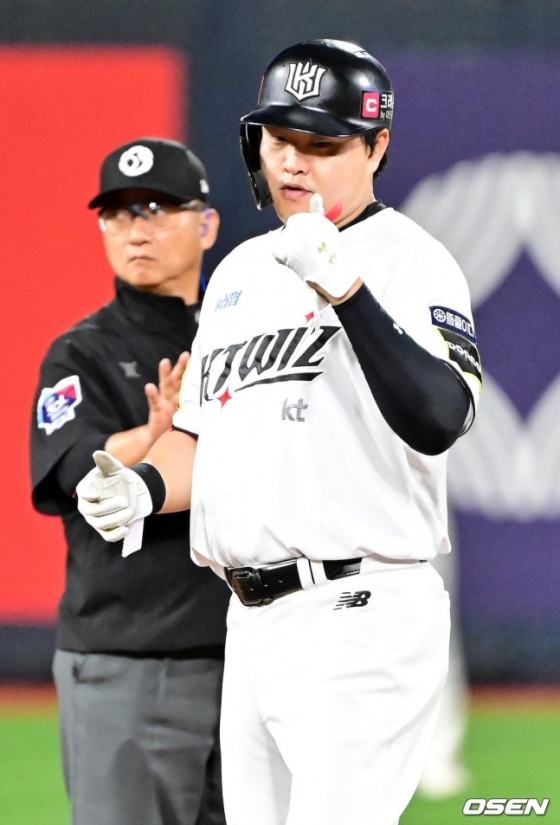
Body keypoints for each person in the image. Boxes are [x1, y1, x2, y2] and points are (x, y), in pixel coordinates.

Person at [75, 41, 483, 825]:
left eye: (321, 142)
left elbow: (443, 418)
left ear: (376, 147)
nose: (293, 161)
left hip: (361, 611)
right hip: (252, 620)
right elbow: (202, 434)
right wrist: (143, 487)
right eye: (279, 137)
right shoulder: (239, 272)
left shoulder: (411, 261)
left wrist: (347, 289)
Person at [30, 137, 230, 825]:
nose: (135, 230)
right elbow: (75, 466)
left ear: (207, 225)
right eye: (117, 213)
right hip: (130, 661)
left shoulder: (240, 341)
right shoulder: (80, 352)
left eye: (157, 209)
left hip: (247, 658)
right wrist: (152, 439)